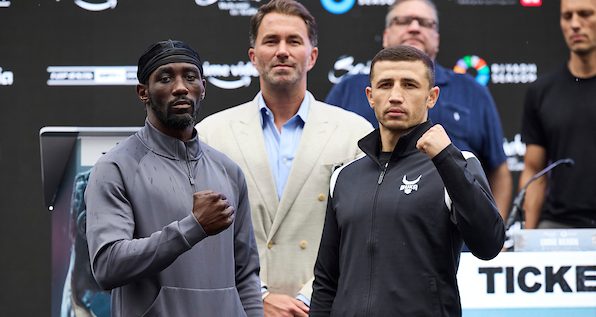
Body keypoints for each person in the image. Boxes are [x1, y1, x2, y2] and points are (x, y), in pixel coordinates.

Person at [196, 1, 373, 316]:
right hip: (239, 307)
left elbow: (362, 233)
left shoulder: (354, 133)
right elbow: (202, 237)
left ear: (312, 56)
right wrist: (259, 297)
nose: (282, 51)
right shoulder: (211, 135)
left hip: (325, 307)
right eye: (270, 41)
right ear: (253, 57)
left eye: (293, 41)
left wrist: (306, 300)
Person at [310, 45, 505, 316]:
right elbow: (326, 282)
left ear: (432, 97)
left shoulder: (458, 163)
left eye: (410, 85)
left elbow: (489, 245)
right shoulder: (344, 176)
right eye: (385, 85)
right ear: (370, 96)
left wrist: (447, 158)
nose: (396, 96)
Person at [85, 40, 263, 317]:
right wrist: (192, 227)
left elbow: (246, 275)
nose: (180, 87)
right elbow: (108, 266)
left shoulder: (228, 170)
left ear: (202, 87)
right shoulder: (114, 167)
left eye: (190, 77)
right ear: (143, 92)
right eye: (165, 78)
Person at [325, 0, 512, 220]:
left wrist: (492, 229)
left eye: (425, 23)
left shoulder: (472, 91)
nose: (414, 27)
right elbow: (328, 168)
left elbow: (499, 171)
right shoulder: (347, 89)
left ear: (432, 96)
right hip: (366, 231)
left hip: (461, 245)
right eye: (402, 21)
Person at [520, 0, 596, 229]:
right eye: (567, 16)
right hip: (559, 225)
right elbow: (534, 170)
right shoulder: (541, 91)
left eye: (585, 14)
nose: (575, 24)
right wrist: (528, 239)